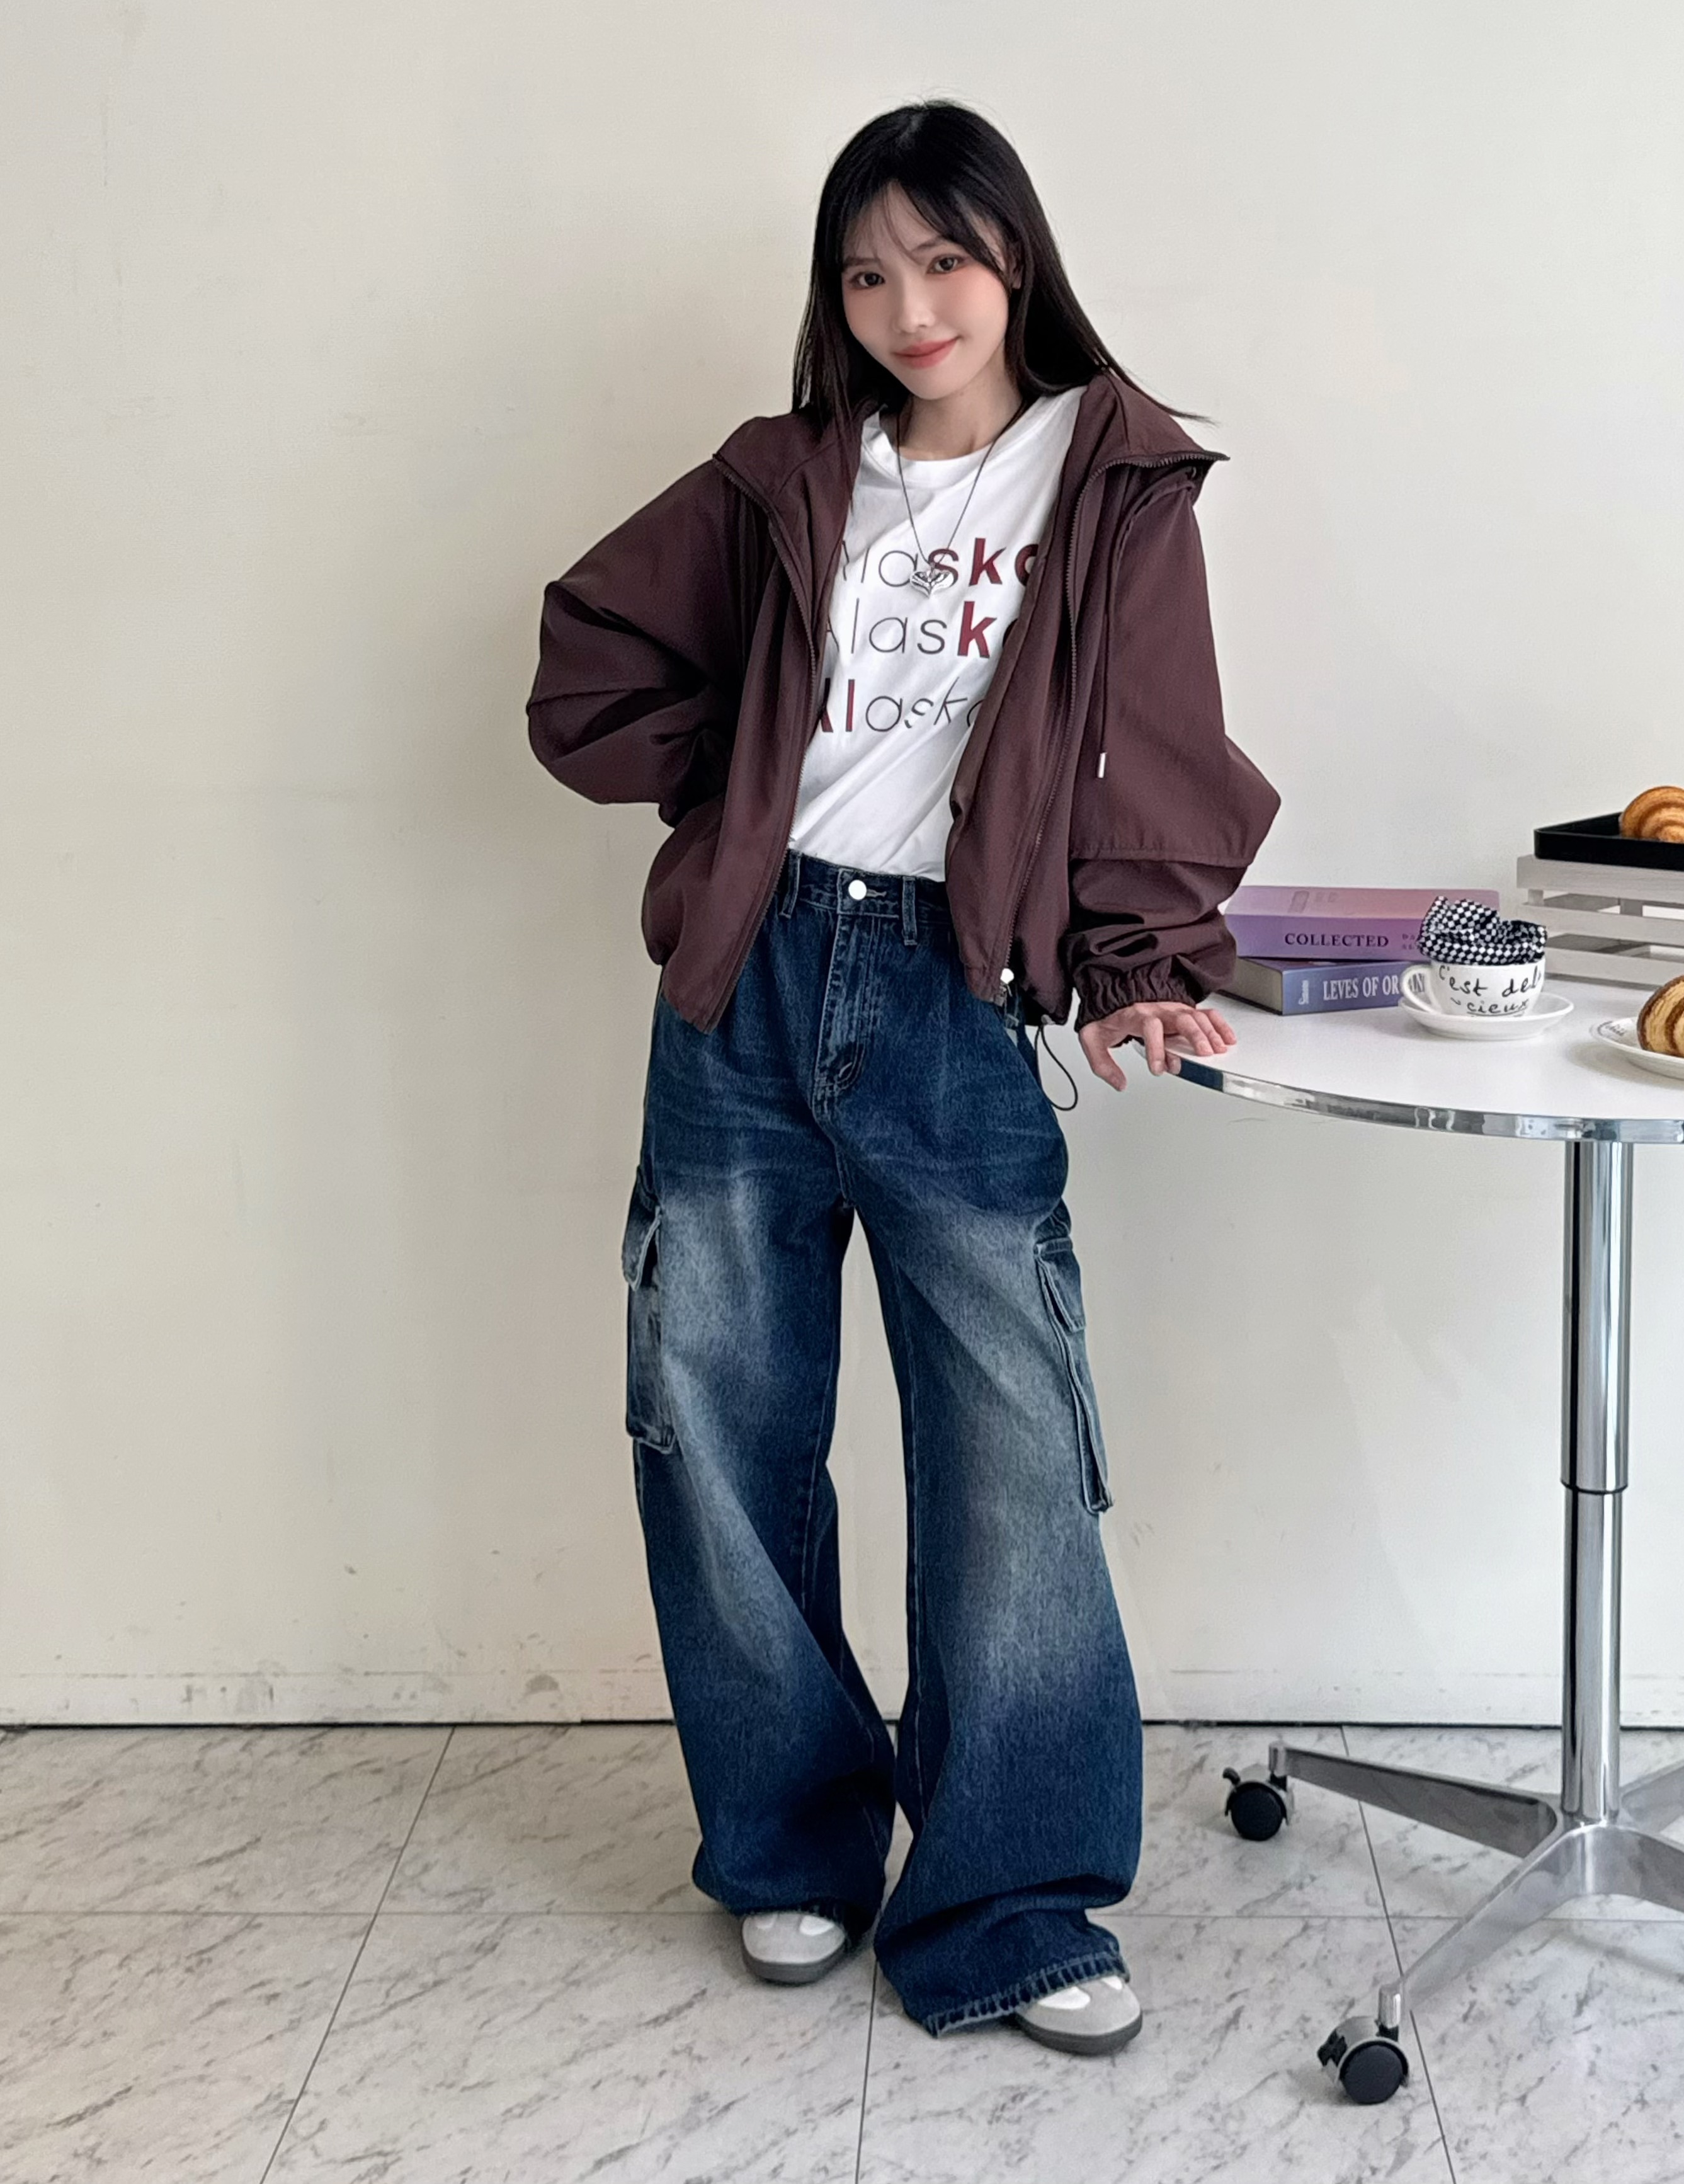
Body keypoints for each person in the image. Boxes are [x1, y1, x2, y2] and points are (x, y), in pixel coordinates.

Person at [526, 101, 1279, 2054]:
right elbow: (589, 667)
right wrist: (737, 774)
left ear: (1015, 258)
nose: (908, 305)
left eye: (944, 259)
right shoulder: (783, 474)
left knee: (1011, 1449)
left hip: (953, 989)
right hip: (747, 984)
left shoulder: (1111, 472)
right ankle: (790, 1842)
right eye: (866, 272)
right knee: (718, 1420)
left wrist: (1141, 956)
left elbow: (1155, 731)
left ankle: (1011, 1898)